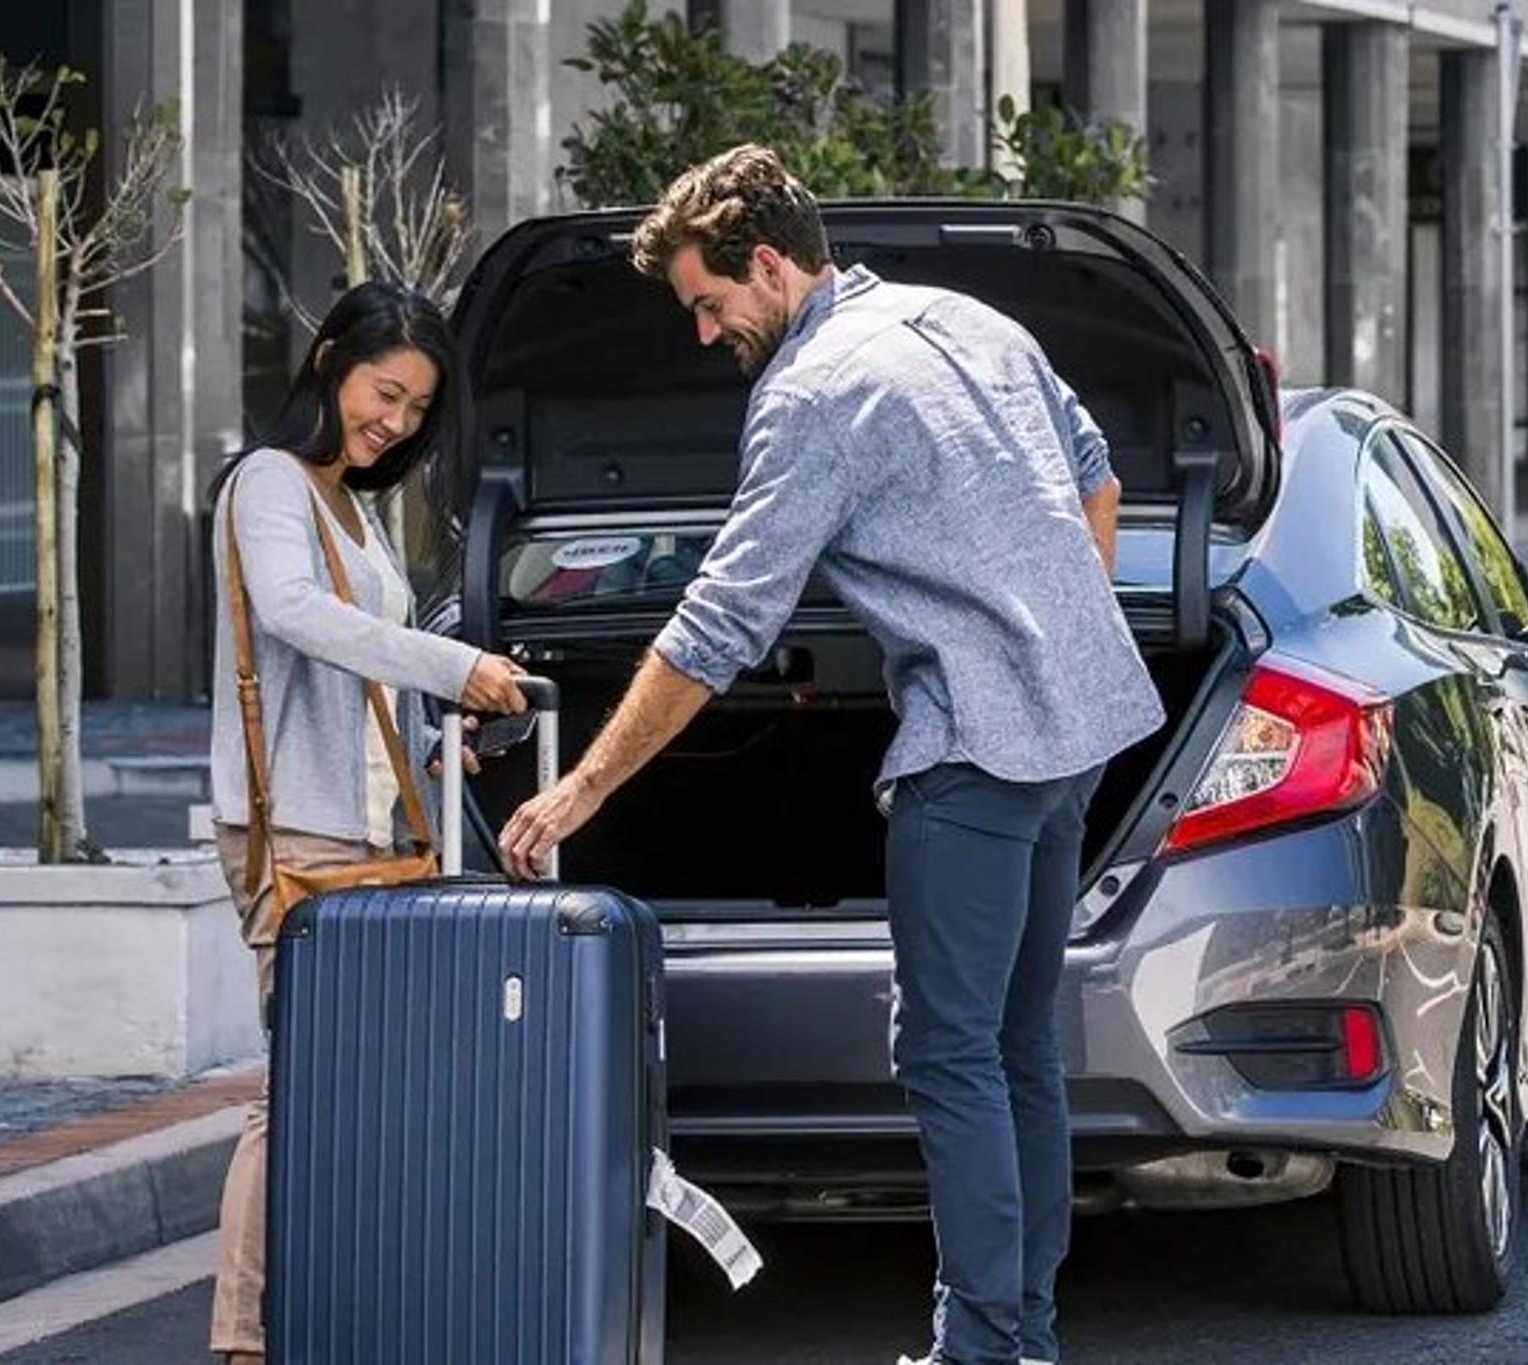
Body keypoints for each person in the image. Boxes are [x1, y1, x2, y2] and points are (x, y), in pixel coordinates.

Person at [497, 146, 1165, 1365]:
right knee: (1018, 1045)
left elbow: (719, 623)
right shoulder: (968, 319)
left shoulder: (813, 393)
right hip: (1077, 738)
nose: (705, 336)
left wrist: (581, 786)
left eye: (709, 304)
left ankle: (977, 1349)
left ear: (767, 260)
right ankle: (1024, 1340)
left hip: (971, 752)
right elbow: (1097, 477)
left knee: (947, 1052)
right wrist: (1059, 629)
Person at [205, 282, 529, 1365]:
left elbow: (359, 680)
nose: (391, 422)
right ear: (329, 358)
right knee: (292, 1093)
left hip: (367, 833)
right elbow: (297, 616)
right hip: (294, 832)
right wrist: (457, 668)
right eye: (382, 393)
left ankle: (331, 1316)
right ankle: (243, 1341)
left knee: (351, 1091)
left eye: (413, 412)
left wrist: (440, 744)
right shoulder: (268, 482)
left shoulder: (355, 503)